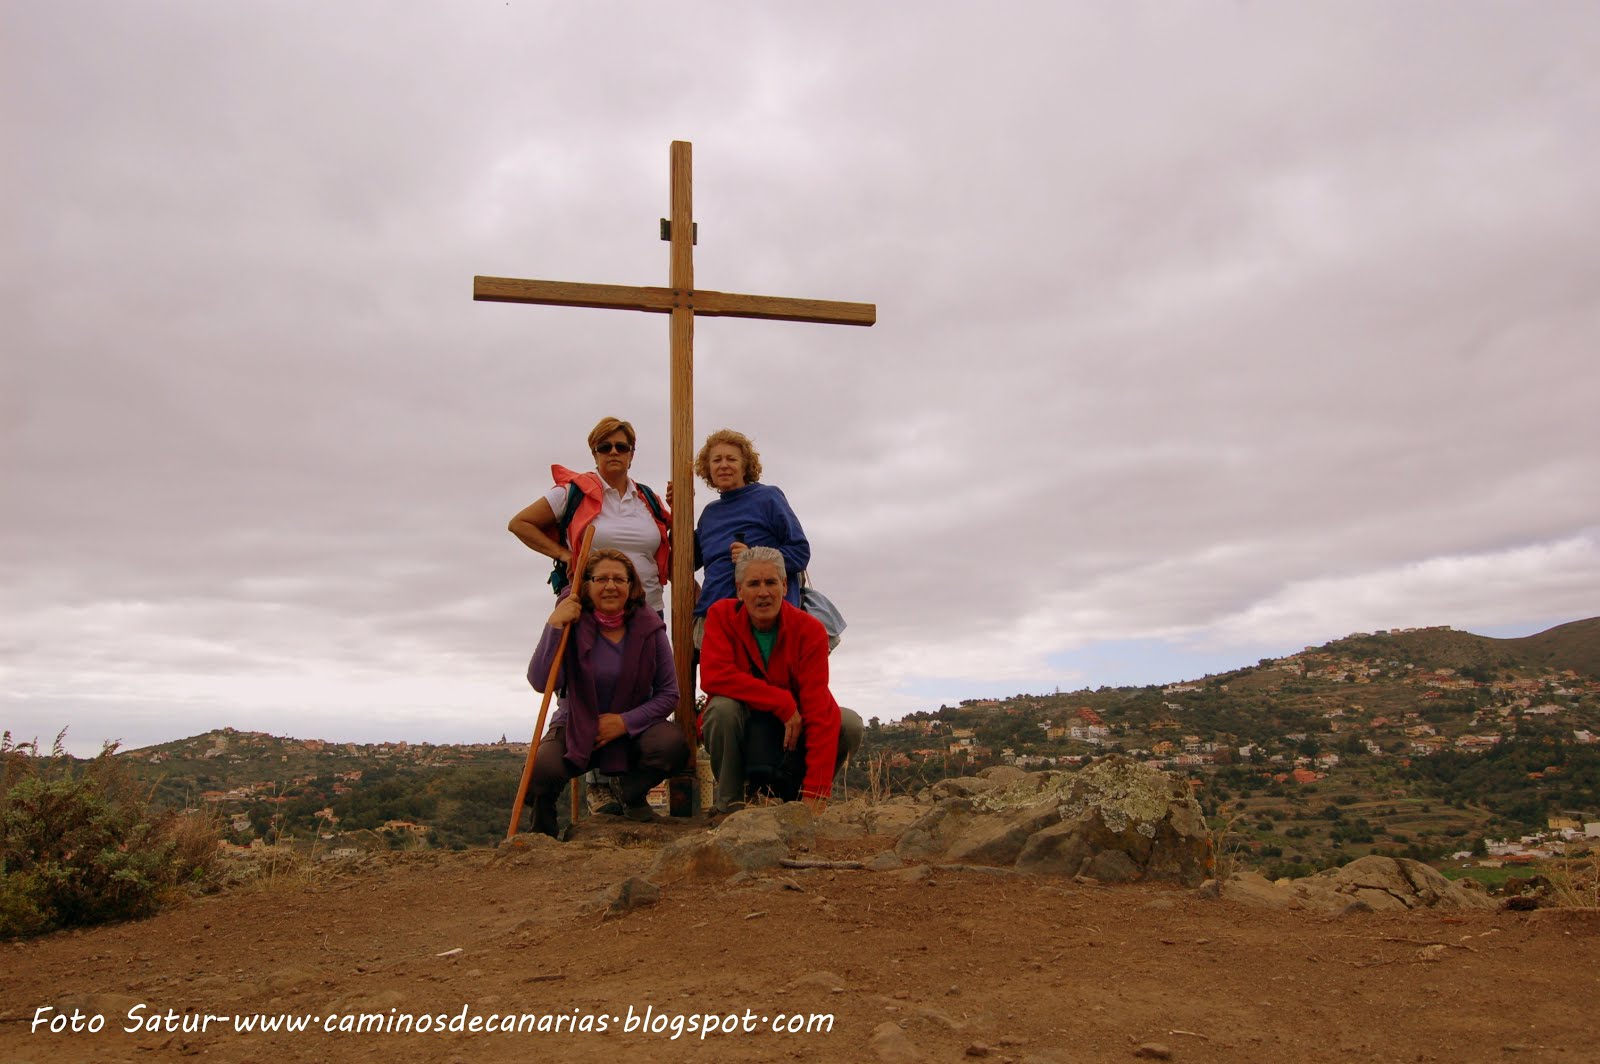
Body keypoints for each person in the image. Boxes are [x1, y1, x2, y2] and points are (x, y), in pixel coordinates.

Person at [525, 549, 689, 838]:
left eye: (619, 579)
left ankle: (631, 794)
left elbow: (668, 694)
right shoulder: (570, 624)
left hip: (632, 730)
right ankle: (542, 835)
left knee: (671, 745)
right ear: (587, 584)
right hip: (575, 723)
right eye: (601, 579)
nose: (611, 586)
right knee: (543, 769)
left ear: (631, 585)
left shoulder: (650, 628)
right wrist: (554, 625)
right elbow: (541, 681)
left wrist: (623, 722)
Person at [698, 547, 862, 815]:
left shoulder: (810, 631)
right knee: (720, 710)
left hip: (794, 733)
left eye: (771, 582)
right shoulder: (721, 616)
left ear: (785, 586)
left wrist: (816, 795)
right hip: (747, 725)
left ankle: (800, 801)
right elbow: (715, 675)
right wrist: (782, 702)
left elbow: (819, 711)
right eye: (753, 584)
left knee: (849, 723)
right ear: (739, 590)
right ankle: (731, 806)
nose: (763, 592)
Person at [509, 417, 672, 615]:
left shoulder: (648, 498)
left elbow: (672, 543)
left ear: (631, 455)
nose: (613, 452)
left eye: (621, 447)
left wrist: (678, 505)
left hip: (649, 610)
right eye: (604, 447)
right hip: (592, 612)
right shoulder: (572, 492)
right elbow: (520, 523)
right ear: (595, 455)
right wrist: (563, 554)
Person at [689, 429, 809, 636]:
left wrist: (753, 557)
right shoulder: (710, 514)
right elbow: (685, 561)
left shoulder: (767, 498)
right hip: (714, 618)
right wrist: (676, 513)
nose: (724, 465)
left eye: (731, 459)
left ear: (744, 466)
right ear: (708, 469)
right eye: (716, 460)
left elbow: (800, 552)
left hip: (762, 619)